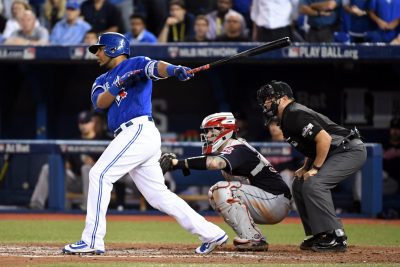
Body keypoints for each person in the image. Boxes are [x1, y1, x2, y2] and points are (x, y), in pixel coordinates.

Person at [62, 32, 228, 255]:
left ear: (113, 48)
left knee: (99, 175)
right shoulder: (100, 80)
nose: (97, 54)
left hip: (138, 129)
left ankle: (92, 239)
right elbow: (100, 103)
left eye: (100, 48)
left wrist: (174, 69)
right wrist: (119, 83)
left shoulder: (136, 63)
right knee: (157, 195)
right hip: (130, 135)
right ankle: (212, 233)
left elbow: (156, 67)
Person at [256, 80, 367, 252]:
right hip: (336, 151)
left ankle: (336, 236)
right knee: (299, 183)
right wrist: (306, 166)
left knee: (315, 184)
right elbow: (312, 145)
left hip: (348, 150)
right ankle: (321, 233)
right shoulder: (286, 117)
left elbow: (324, 139)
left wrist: (315, 169)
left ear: (283, 98)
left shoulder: (294, 113)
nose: (265, 103)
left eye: (269, 98)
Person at [164, 112, 291, 251]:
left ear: (224, 130)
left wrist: (178, 163)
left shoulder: (237, 147)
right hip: (267, 199)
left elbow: (215, 163)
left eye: (210, 130)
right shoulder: (230, 148)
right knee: (215, 195)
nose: (207, 136)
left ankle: (253, 238)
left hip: (275, 199)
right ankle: (251, 236)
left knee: (221, 190)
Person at [29, 110, 100, 210]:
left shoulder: (101, 140)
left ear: (93, 122)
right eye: (81, 123)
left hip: (95, 182)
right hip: (74, 179)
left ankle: (89, 208)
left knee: (86, 168)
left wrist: (95, 164)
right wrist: (65, 164)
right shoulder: (74, 141)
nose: (83, 126)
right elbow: (68, 163)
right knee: (47, 168)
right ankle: (36, 204)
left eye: (86, 122)